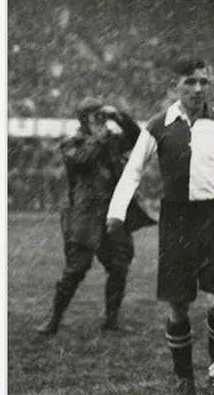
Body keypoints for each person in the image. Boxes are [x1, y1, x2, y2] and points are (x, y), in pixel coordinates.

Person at [106, 59, 214, 395]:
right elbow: (133, 172)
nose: (198, 89)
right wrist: (116, 213)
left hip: (213, 217)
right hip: (176, 221)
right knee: (178, 306)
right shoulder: (159, 125)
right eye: (190, 82)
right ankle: (184, 379)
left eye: (203, 82)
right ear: (175, 86)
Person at [35, 98, 155, 336]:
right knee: (77, 268)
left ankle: (111, 319)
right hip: (84, 215)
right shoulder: (71, 143)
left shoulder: (111, 142)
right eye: (96, 117)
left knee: (119, 265)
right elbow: (82, 159)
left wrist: (119, 116)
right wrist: (100, 137)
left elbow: (137, 138)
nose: (101, 122)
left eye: (102, 117)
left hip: (110, 213)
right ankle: (54, 319)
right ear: (84, 121)